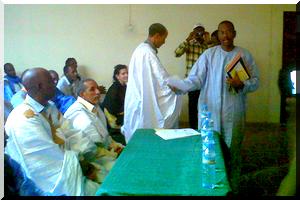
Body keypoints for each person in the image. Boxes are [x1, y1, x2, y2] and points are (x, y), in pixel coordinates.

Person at [168, 20, 259, 193]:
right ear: (217, 34)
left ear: (234, 33)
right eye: (222, 32)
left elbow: (255, 82)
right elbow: (195, 79)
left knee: (232, 150)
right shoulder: (209, 55)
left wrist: (242, 85)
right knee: (210, 149)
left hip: (234, 110)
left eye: (229, 32)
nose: (226, 36)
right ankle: (210, 185)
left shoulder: (244, 55)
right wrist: (180, 86)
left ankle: (232, 185)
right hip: (210, 110)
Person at [5, 68, 99, 196]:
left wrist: (88, 153)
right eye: (51, 81)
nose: (55, 85)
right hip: (50, 186)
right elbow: (47, 165)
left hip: (74, 162)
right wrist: (81, 165)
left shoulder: (49, 107)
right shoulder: (23, 119)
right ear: (40, 86)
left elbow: (71, 132)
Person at [122, 23, 182, 143]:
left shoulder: (140, 49)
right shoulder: (147, 52)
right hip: (143, 97)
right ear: (157, 36)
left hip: (137, 96)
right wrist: (178, 85)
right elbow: (162, 78)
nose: (164, 42)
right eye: (164, 38)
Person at [64, 78, 124, 176]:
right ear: (82, 94)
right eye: (92, 89)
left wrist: (118, 148)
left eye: (97, 88)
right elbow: (93, 149)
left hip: (104, 150)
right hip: (92, 160)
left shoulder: (93, 106)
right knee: (123, 168)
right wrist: (115, 154)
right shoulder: (78, 114)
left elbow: (105, 138)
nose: (98, 92)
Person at [174, 23, 208, 129]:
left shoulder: (207, 46)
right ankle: (193, 128)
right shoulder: (189, 44)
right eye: (196, 31)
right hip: (191, 81)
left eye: (201, 30)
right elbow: (176, 53)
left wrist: (207, 41)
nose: (198, 33)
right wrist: (188, 39)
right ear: (192, 32)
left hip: (205, 82)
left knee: (204, 105)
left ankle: (203, 127)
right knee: (192, 106)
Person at [101, 64, 128, 145]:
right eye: (123, 74)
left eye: (127, 73)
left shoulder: (124, 86)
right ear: (117, 76)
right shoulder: (115, 89)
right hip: (113, 117)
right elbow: (112, 108)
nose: (126, 75)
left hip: (120, 112)